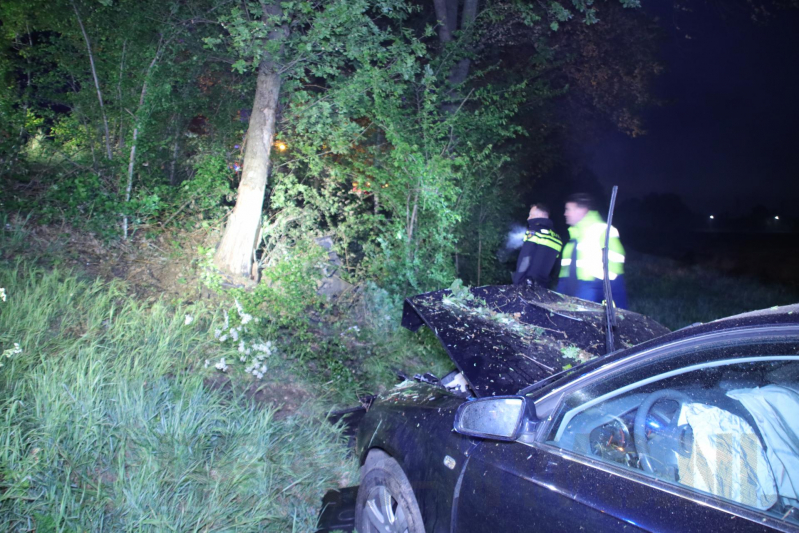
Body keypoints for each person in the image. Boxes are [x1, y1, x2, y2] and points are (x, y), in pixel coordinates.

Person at [556, 193, 628, 309]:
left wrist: (598, 289)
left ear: (582, 210)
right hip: (572, 294)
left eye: (569, 209)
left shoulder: (601, 229)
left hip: (592, 292)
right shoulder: (574, 236)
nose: (565, 213)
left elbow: (616, 262)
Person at [512, 203, 563, 287]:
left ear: (540, 215)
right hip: (543, 285)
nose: (528, 218)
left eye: (531, 215)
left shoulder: (534, 231)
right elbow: (556, 266)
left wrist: (517, 281)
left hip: (527, 284)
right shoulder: (557, 238)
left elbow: (525, 258)